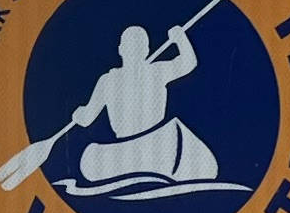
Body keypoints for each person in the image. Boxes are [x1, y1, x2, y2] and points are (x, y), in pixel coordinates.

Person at [57, 18, 218, 193]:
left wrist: (180, 37)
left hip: (158, 141)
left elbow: (86, 119)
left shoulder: (151, 72)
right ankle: (146, 167)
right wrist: (179, 38)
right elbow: (87, 118)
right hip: (133, 148)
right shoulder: (114, 80)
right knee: (91, 161)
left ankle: (141, 167)